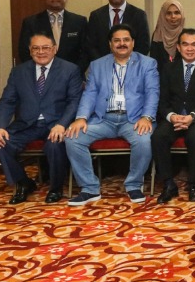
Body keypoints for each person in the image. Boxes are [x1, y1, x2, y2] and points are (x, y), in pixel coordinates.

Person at [64, 25, 160, 206]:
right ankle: (89, 188)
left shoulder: (147, 63)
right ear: (110, 44)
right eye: (117, 40)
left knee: (143, 140)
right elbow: (90, 94)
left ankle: (134, 185)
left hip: (134, 119)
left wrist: (147, 117)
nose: (121, 44)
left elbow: (152, 92)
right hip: (104, 119)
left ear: (133, 43)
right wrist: (81, 118)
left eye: (126, 40)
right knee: (73, 137)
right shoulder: (97, 65)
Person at [0, 33, 82, 205]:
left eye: (46, 47)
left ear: (54, 49)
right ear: (30, 50)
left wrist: (62, 124)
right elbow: (7, 101)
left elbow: (74, 101)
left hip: (56, 124)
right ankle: (24, 183)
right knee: (0, 143)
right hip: (27, 124)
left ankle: (56, 188)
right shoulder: (18, 71)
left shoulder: (70, 69)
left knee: (55, 146)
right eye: (36, 48)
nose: (41, 52)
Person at [151, 28, 195, 204]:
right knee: (158, 136)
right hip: (174, 117)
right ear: (178, 47)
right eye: (185, 44)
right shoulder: (168, 68)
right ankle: (168, 184)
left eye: (194, 44)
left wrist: (193, 116)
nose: (189, 49)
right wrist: (171, 116)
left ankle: (194, 184)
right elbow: (162, 99)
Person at [17, 0, 88, 74]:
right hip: (41, 76)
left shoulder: (79, 21)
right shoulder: (31, 22)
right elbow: (24, 52)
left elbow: (86, 52)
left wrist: (74, 72)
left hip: (72, 76)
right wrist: (39, 72)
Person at [86, 0, 150, 61]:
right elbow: (91, 45)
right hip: (103, 66)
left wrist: (129, 63)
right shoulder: (96, 15)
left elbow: (144, 45)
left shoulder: (139, 15)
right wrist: (102, 63)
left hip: (131, 66)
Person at [150, 0, 186, 64]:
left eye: (177, 13)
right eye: (169, 13)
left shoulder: (186, 35)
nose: (173, 16)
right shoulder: (157, 34)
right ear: (163, 15)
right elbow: (154, 61)